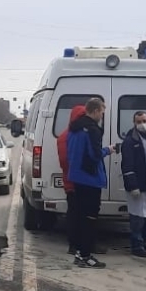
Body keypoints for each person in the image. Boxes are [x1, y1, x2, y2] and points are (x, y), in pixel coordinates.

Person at [66, 97, 113, 268]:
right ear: (95, 111)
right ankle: (86, 255)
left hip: (77, 177)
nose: (102, 115)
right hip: (90, 179)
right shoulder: (93, 129)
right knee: (90, 218)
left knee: (80, 217)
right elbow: (94, 155)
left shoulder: (73, 128)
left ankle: (79, 253)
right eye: (101, 112)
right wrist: (108, 150)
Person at [121, 111, 146, 258]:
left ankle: (144, 241)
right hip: (138, 184)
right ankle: (136, 244)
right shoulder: (130, 141)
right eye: (139, 121)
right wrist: (132, 185)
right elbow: (127, 165)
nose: (142, 124)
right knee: (137, 216)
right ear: (134, 123)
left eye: (144, 120)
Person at [57, 105, 88, 254]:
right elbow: (66, 161)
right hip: (74, 182)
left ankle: (78, 243)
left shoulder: (66, 135)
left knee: (78, 213)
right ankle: (75, 244)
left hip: (75, 180)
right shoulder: (70, 136)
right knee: (76, 214)